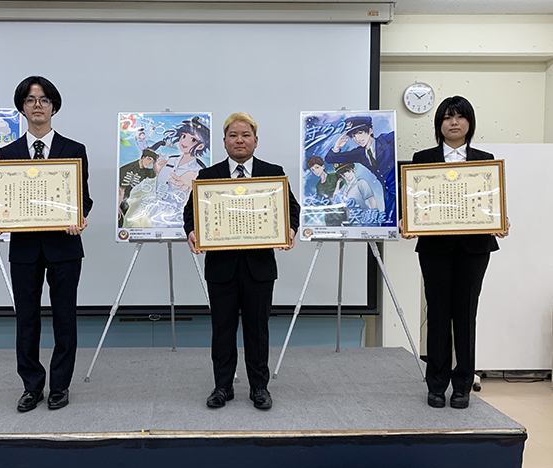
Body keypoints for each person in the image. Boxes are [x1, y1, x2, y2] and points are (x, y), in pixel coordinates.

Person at [0, 76, 93, 412]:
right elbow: (0, 200)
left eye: (44, 100)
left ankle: (60, 385)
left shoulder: (74, 150)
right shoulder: (8, 153)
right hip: (24, 250)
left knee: (65, 318)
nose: (37, 106)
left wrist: (80, 216)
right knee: (27, 320)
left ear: (54, 107)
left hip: (64, 247)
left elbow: (84, 198)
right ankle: (31, 386)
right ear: (22, 108)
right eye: (30, 100)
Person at [183, 112, 300, 410]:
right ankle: (222, 387)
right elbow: (190, 212)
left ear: (255, 140)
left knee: (257, 331)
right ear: (224, 141)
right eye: (233, 135)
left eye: (245, 135)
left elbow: (292, 208)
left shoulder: (272, 173)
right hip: (221, 268)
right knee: (222, 330)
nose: (239, 140)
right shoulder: (208, 176)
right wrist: (192, 231)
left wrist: (290, 229)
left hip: (259, 268)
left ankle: (259, 387)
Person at [402, 96, 509, 409]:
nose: (453, 122)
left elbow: (492, 201)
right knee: (437, 314)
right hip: (435, 248)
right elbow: (412, 200)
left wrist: (501, 219)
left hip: (474, 248)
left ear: (469, 123)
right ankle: (436, 384)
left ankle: (462, 385)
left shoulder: (484, 160)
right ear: (439, 124)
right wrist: (407, 220)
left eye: (460, 117)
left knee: (465, 314)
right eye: (447, 117)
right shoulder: (423, 159)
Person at [324, 116, 396, 222]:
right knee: (389, 223)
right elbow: (330, 159)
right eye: (353, 136)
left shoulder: (385, 140)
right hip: (388, 193)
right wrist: (337, 146)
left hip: (400, 188)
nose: (357, 138)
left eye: (360, 133)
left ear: (370, 131)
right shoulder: (360, 153)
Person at [118, 148, 157, 227]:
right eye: (148, 159)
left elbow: (155, 175)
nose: (149, 163)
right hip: (122, 201)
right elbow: (121, 190)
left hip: (135, 202)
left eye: (152, 162)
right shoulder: (128, 168)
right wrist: (117, 206)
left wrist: (155, 162)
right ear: (142, 157)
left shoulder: (146, 171)